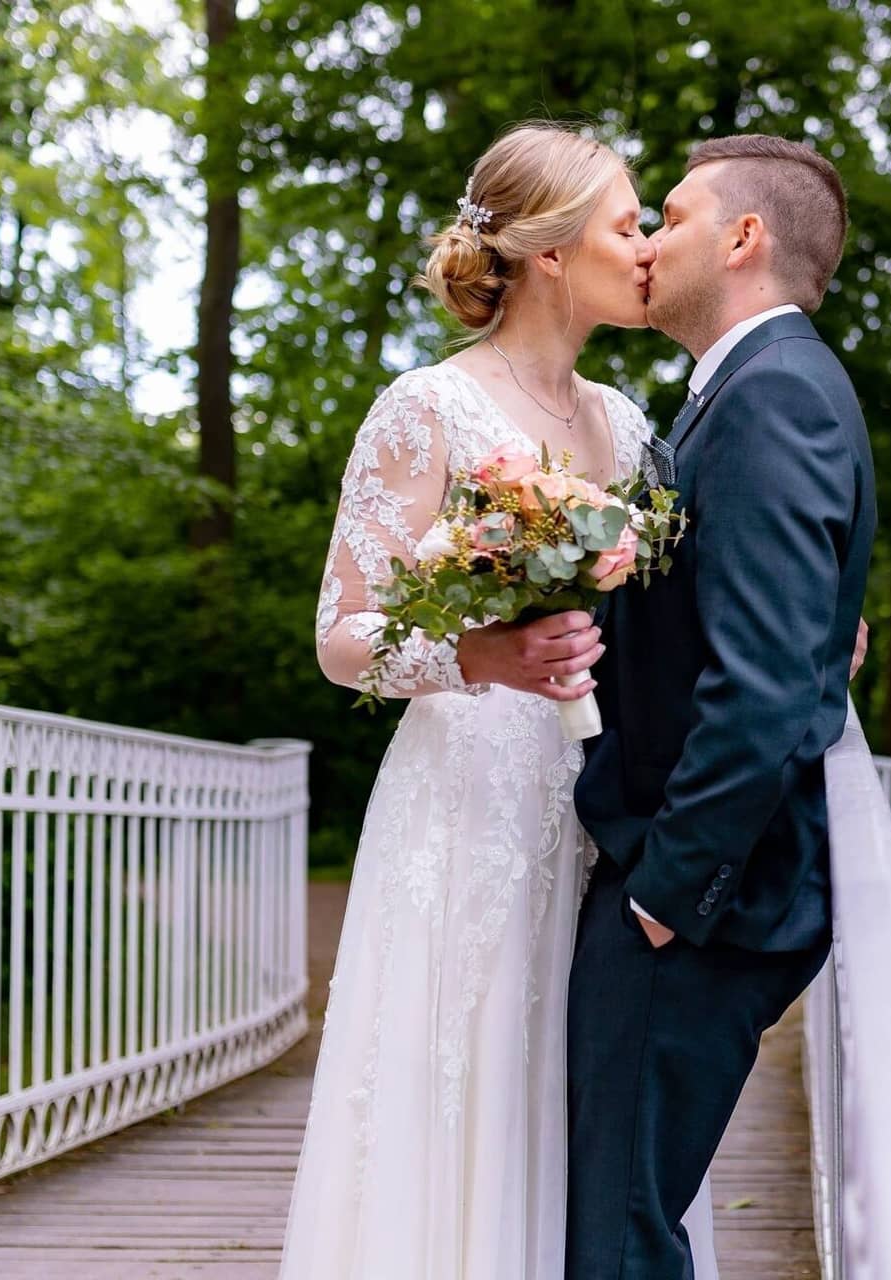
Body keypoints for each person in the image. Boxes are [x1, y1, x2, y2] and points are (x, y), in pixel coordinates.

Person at [282, 122, 724, 1280]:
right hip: (467, 807)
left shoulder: (628, 423)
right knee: (465, 1073)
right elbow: (340, 637)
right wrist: (485, 655)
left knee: (582, 1083)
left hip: (597, 804)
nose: (645, 251)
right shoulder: (424, 407)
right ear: (547, 252)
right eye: (628, 225)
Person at [567, 135, 877, 1280]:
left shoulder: (773, 395)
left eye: (674, 219)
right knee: (618, 1222)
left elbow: (755, 686)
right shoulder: (736, 394)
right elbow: (777, 630)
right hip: (694, 897)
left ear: (744, 238)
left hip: (702, 908)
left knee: (617, 1241)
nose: (649, 244)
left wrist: (665, 894)